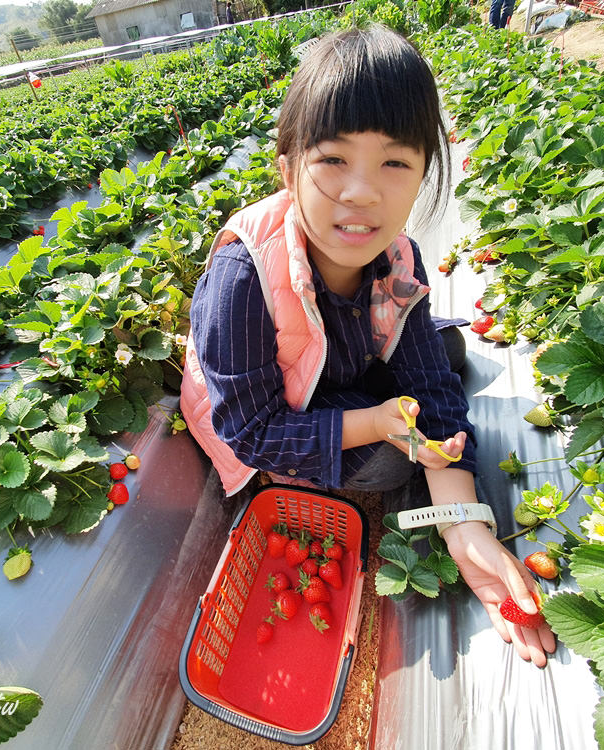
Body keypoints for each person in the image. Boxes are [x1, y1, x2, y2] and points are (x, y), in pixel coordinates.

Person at [180, 25, 555, 667]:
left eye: (394, 163)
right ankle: (370, 425)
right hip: (276, 413)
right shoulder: (243, 279)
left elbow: (432, 388)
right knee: (389, 464)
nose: (361, 192)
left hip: (344, 363)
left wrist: (464, 523)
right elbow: (249, 430)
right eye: (333, 160)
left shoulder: (397, 258)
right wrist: (376, 424)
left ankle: (384, 424)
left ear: (423, 176)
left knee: (444, 356)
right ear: (289, 166)